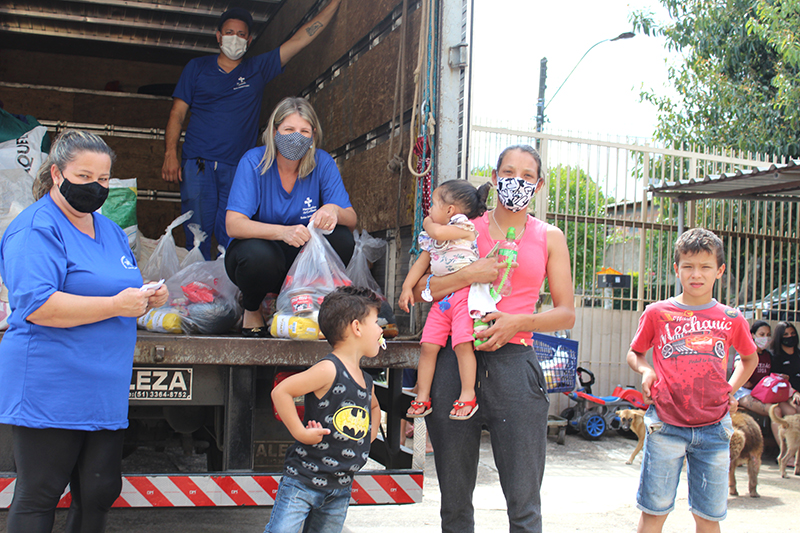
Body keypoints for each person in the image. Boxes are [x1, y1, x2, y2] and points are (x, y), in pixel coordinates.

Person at [0, 130, 168, 533]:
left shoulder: (109, 230)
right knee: (40, 492)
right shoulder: (35, 228)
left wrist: (147, 297)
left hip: (103, 387)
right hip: (52, 383)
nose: (96, 186)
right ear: (57, 174)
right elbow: (37, 305)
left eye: (105, 178)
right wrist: (115, 306)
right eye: (85, 175)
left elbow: (120, 284)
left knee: (100, 491)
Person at [412, 145, 575, 532]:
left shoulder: (549, 237)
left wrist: (517, 322)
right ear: (495, 175)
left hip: (516, 369)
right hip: (455, 364)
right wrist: (470, 274)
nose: (516, 181)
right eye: (508, 172)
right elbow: (422, 289)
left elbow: (566, 312)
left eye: (526, 175)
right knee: (454, 504)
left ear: (538, 185)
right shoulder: (466, 227)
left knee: (524, 505)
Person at [162, 1, 342, 259]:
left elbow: (300, 39)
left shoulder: (257, 68)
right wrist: (170, 153)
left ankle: (229, 291)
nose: (235, 39)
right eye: (229, 33)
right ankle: (196, 291)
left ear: (249, 40)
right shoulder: (197, 68)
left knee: (232, 234)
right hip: (198, 161)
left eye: (241, 34)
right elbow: (177, 114)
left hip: (237, 166)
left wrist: (334, 4)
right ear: (218, 36)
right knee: (196, 231)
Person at [627, 227, 757, 533]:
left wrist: (731, 389)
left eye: (705, 267)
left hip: (714, 429)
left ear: (720, 271)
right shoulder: (658, 313)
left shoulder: (731, 318)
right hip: (666, 425)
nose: (695, 274)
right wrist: (646, 371)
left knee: (709, 517)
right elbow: (636, 353)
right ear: (677, 269)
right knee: (653, 511)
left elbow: (749, 359)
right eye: (688, 266)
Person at [225, 97, 357, 337]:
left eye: (304, 131)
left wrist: (332, 210)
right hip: (262, 261)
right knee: (257, 256)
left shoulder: (322, 163)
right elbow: (233, 225)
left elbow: (351, 218)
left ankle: (308, 305)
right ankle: (252, 308)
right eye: (288, 130)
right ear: (274, 132)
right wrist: (282, 232)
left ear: (313, 136)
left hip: (303, 263)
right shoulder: (253, 162)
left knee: (341, 238)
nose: (296, 137)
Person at [265, 286, 382, 533]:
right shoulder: (329, 369)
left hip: (340, 487)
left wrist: (365, 438)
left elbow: (373, 407)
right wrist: (300, 433)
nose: (381, 329)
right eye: (376, 321)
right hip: (303, 483)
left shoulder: (366, 380)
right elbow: (281, 392)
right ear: (357, 327)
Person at [399, 180, 493, 420]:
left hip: (463, 297)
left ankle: (467, 395)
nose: (429, 212)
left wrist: (428, 222)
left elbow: (438, 231)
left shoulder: (464, 227)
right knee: (428, 346)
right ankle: (422, 396)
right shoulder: (432, 239)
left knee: (462, 345)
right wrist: (407, 288)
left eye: (433, 206)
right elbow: (421, 264)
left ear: (450, 210)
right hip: (441, 301)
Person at [734, 320, 800, 448]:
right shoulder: (746, 352)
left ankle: (792, 449)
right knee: (775, 411)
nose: (765, 338)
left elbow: (770, 377)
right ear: (752, 335)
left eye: (768, 335)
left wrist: (780, 377)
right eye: (762, 334)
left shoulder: (768, 356)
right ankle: (784, 453)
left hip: (764, 392)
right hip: (745, 393)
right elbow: (739, 366)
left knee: (791, 411)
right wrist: (744, 374)